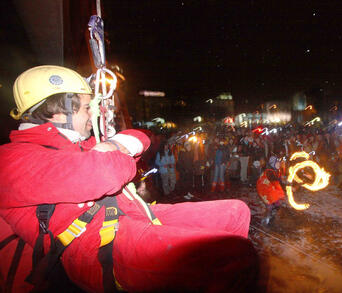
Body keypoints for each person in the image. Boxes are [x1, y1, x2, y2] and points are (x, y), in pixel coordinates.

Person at [0, 65, 258, 292]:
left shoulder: (76, 144)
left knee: (235, 212)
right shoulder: (12, 159)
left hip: (128, 217)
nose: (93, 114)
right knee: (233, 256)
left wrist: (114, 145)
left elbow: (141, 138)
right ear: (58, 113)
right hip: (96, 249)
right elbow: (105, 174)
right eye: (85, 107)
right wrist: (113, 151)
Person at [256, 156, 286, 225]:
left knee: (276, 205)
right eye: (277, 163)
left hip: (270, 190)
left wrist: (283, 168)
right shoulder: (270, 172)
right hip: (265, 191)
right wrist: (286, 187)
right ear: (273, 164)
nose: (279, 164)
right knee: (271, 206)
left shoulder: (275, 171)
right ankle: (266, 221)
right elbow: (278, 183)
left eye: (279, 162)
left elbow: (280, 180)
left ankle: (271, 218)